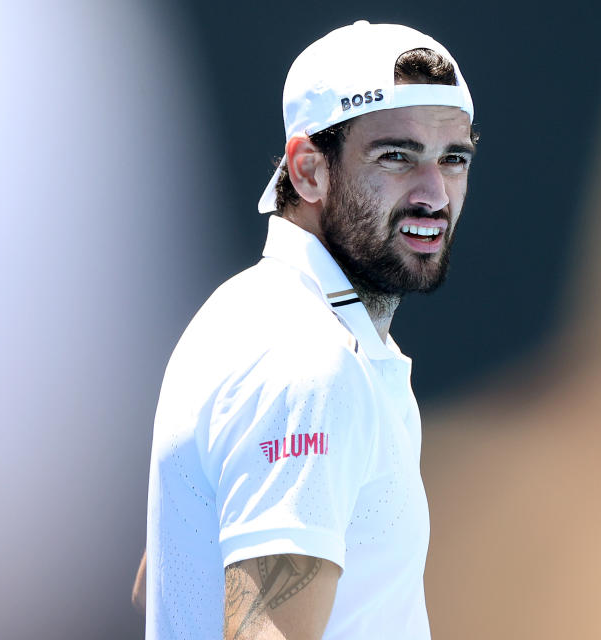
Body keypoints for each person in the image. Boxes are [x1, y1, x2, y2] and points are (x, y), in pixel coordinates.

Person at [142, 21, 477, 640]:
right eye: (396, 157)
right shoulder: (308, 360)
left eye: (453, 159)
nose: (434, 194)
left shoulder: (245, 311)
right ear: (308, 171)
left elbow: (167, 569)